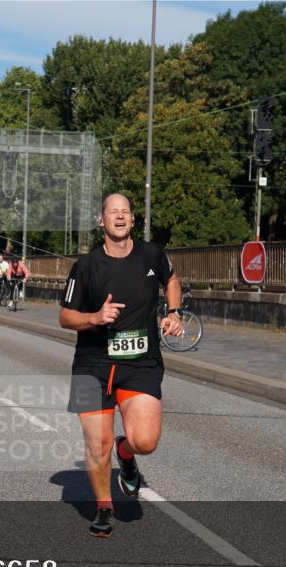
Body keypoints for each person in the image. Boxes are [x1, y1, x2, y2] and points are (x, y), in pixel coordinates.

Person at [59, 194, 183, 537]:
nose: (119, 216)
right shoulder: (85, 266)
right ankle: (104, 508)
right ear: (101, 221)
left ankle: (126, 453)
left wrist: (173, 313)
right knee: (95, 444)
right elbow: (65, 317)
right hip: (89, 365)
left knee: (146, 441)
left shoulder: (152, 254)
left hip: (141, 363)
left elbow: (171, 281)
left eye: (125, 211)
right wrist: (96, 317)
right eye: (112, 212)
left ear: (132, 219)